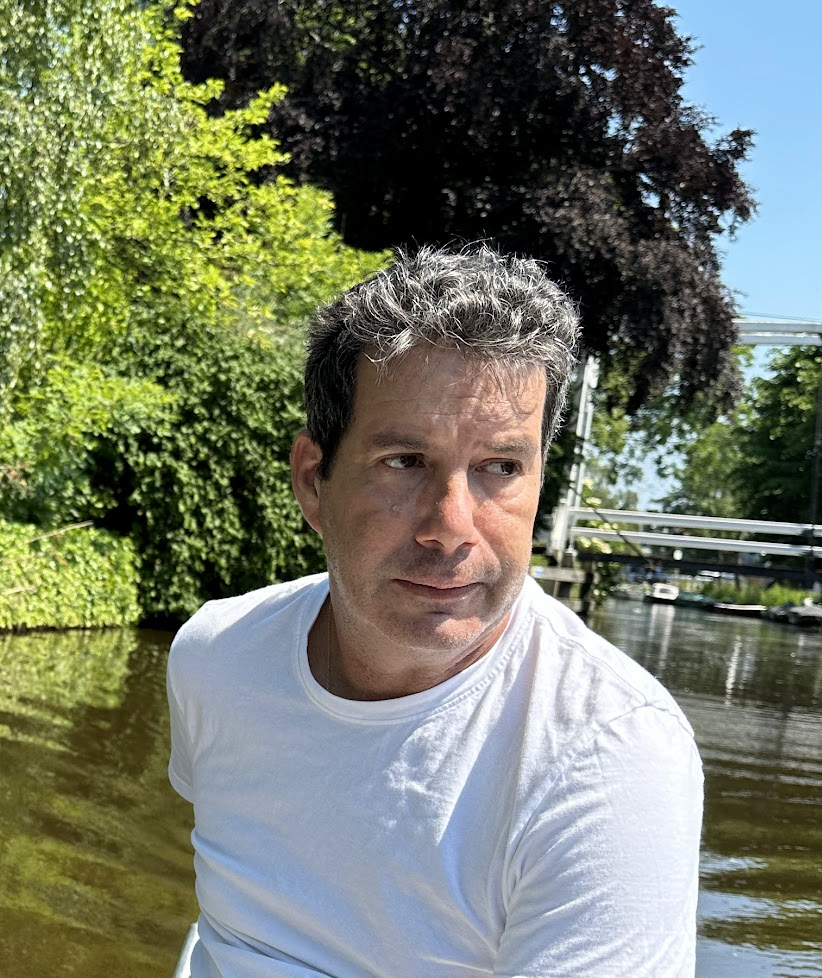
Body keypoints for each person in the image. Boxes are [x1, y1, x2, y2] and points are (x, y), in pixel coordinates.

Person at [167, 244, 703, 978]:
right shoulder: (215, 655)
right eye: (405, 462)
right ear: (313, 482)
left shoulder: (610, 757)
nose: (451, 524)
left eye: (500, 468)